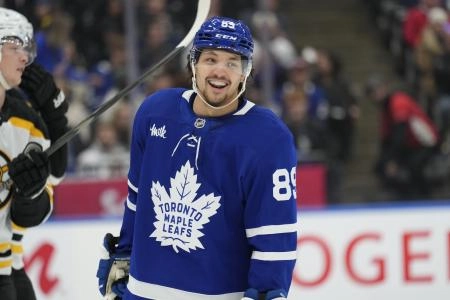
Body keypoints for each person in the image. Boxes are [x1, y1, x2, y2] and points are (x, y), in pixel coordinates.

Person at [97, 16, 298, 300]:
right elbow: (137, 197)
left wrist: (266, 293)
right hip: (141, 292)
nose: (220, 71)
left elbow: (275, 238)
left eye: (232, 62)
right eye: (211, 59)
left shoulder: (269, 138)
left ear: (245, 72)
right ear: (193, 64)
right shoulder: (155, 111)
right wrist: (125, 251)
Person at [0, 7, 68, 300]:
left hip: (6, 267)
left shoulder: (25, 121)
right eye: (16, 46)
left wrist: (55, 121)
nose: (25, 57)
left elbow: (52, 181)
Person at [365, 74, 440, 199]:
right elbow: (386, 139)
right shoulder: (385, 111)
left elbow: (400, 134)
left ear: (385, 88)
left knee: (414, 167)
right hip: (409, 146)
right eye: (372, 93)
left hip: (425, 142)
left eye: (378, 89)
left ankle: (424, 197)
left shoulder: (399, 101)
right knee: (380, 166)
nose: (376, 94)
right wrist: (386, 160)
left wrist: (393, 160)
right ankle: (404, 197)